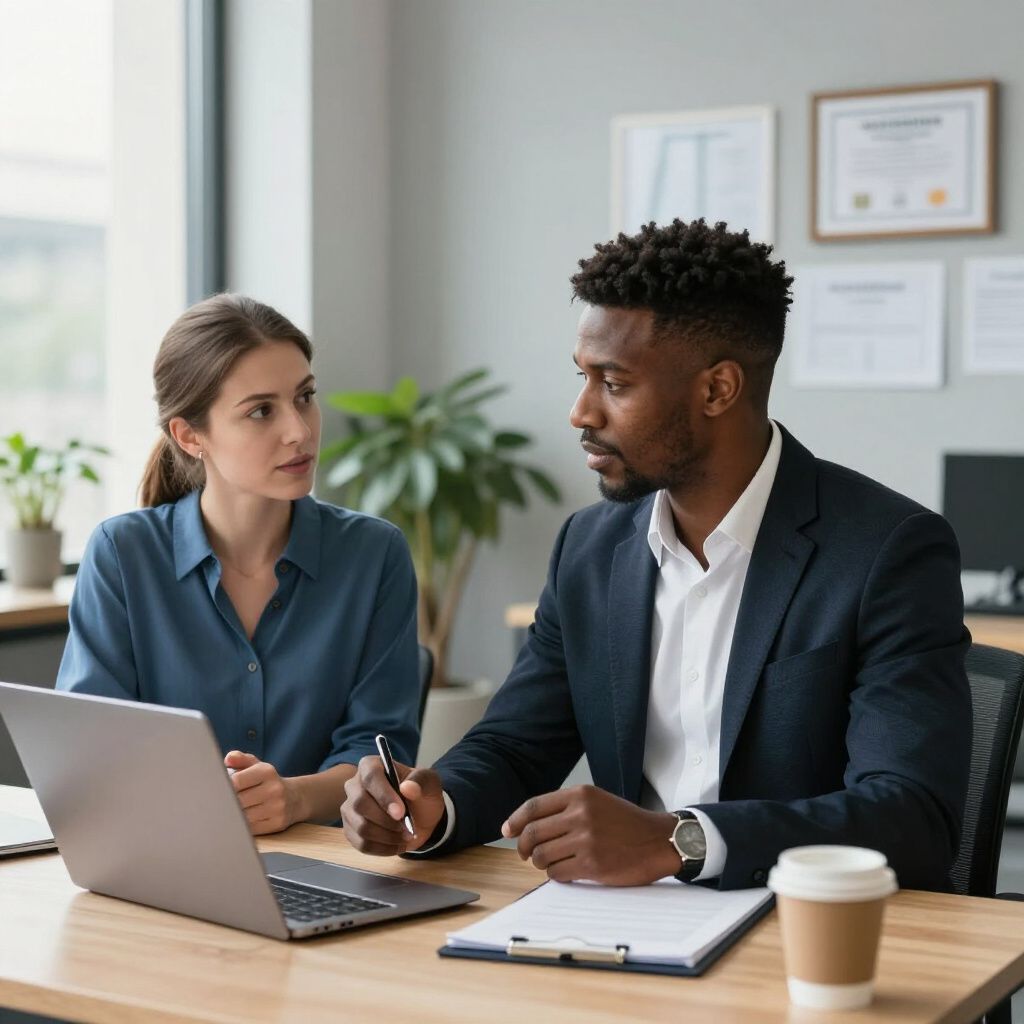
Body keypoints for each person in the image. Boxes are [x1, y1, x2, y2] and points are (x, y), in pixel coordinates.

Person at [339, 219, 971, 891]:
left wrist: (682, 839)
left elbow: (911, 815)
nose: (581, 412)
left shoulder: (886, 550)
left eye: (613, 383)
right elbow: (516, 747)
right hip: (627, 920)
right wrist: (433, 809)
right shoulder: (589, 547)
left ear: (717, 389)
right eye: (582, 376)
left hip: (803, 921)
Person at [57, 294, 420, 834]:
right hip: (166, 852)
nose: (299, 430)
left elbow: (380, 751)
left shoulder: (374, 554)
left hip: (328, 863)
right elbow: (92, 747)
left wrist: (293, 799)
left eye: (305, 397)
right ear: (190, 436)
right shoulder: (121, 554)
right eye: (260, 411)